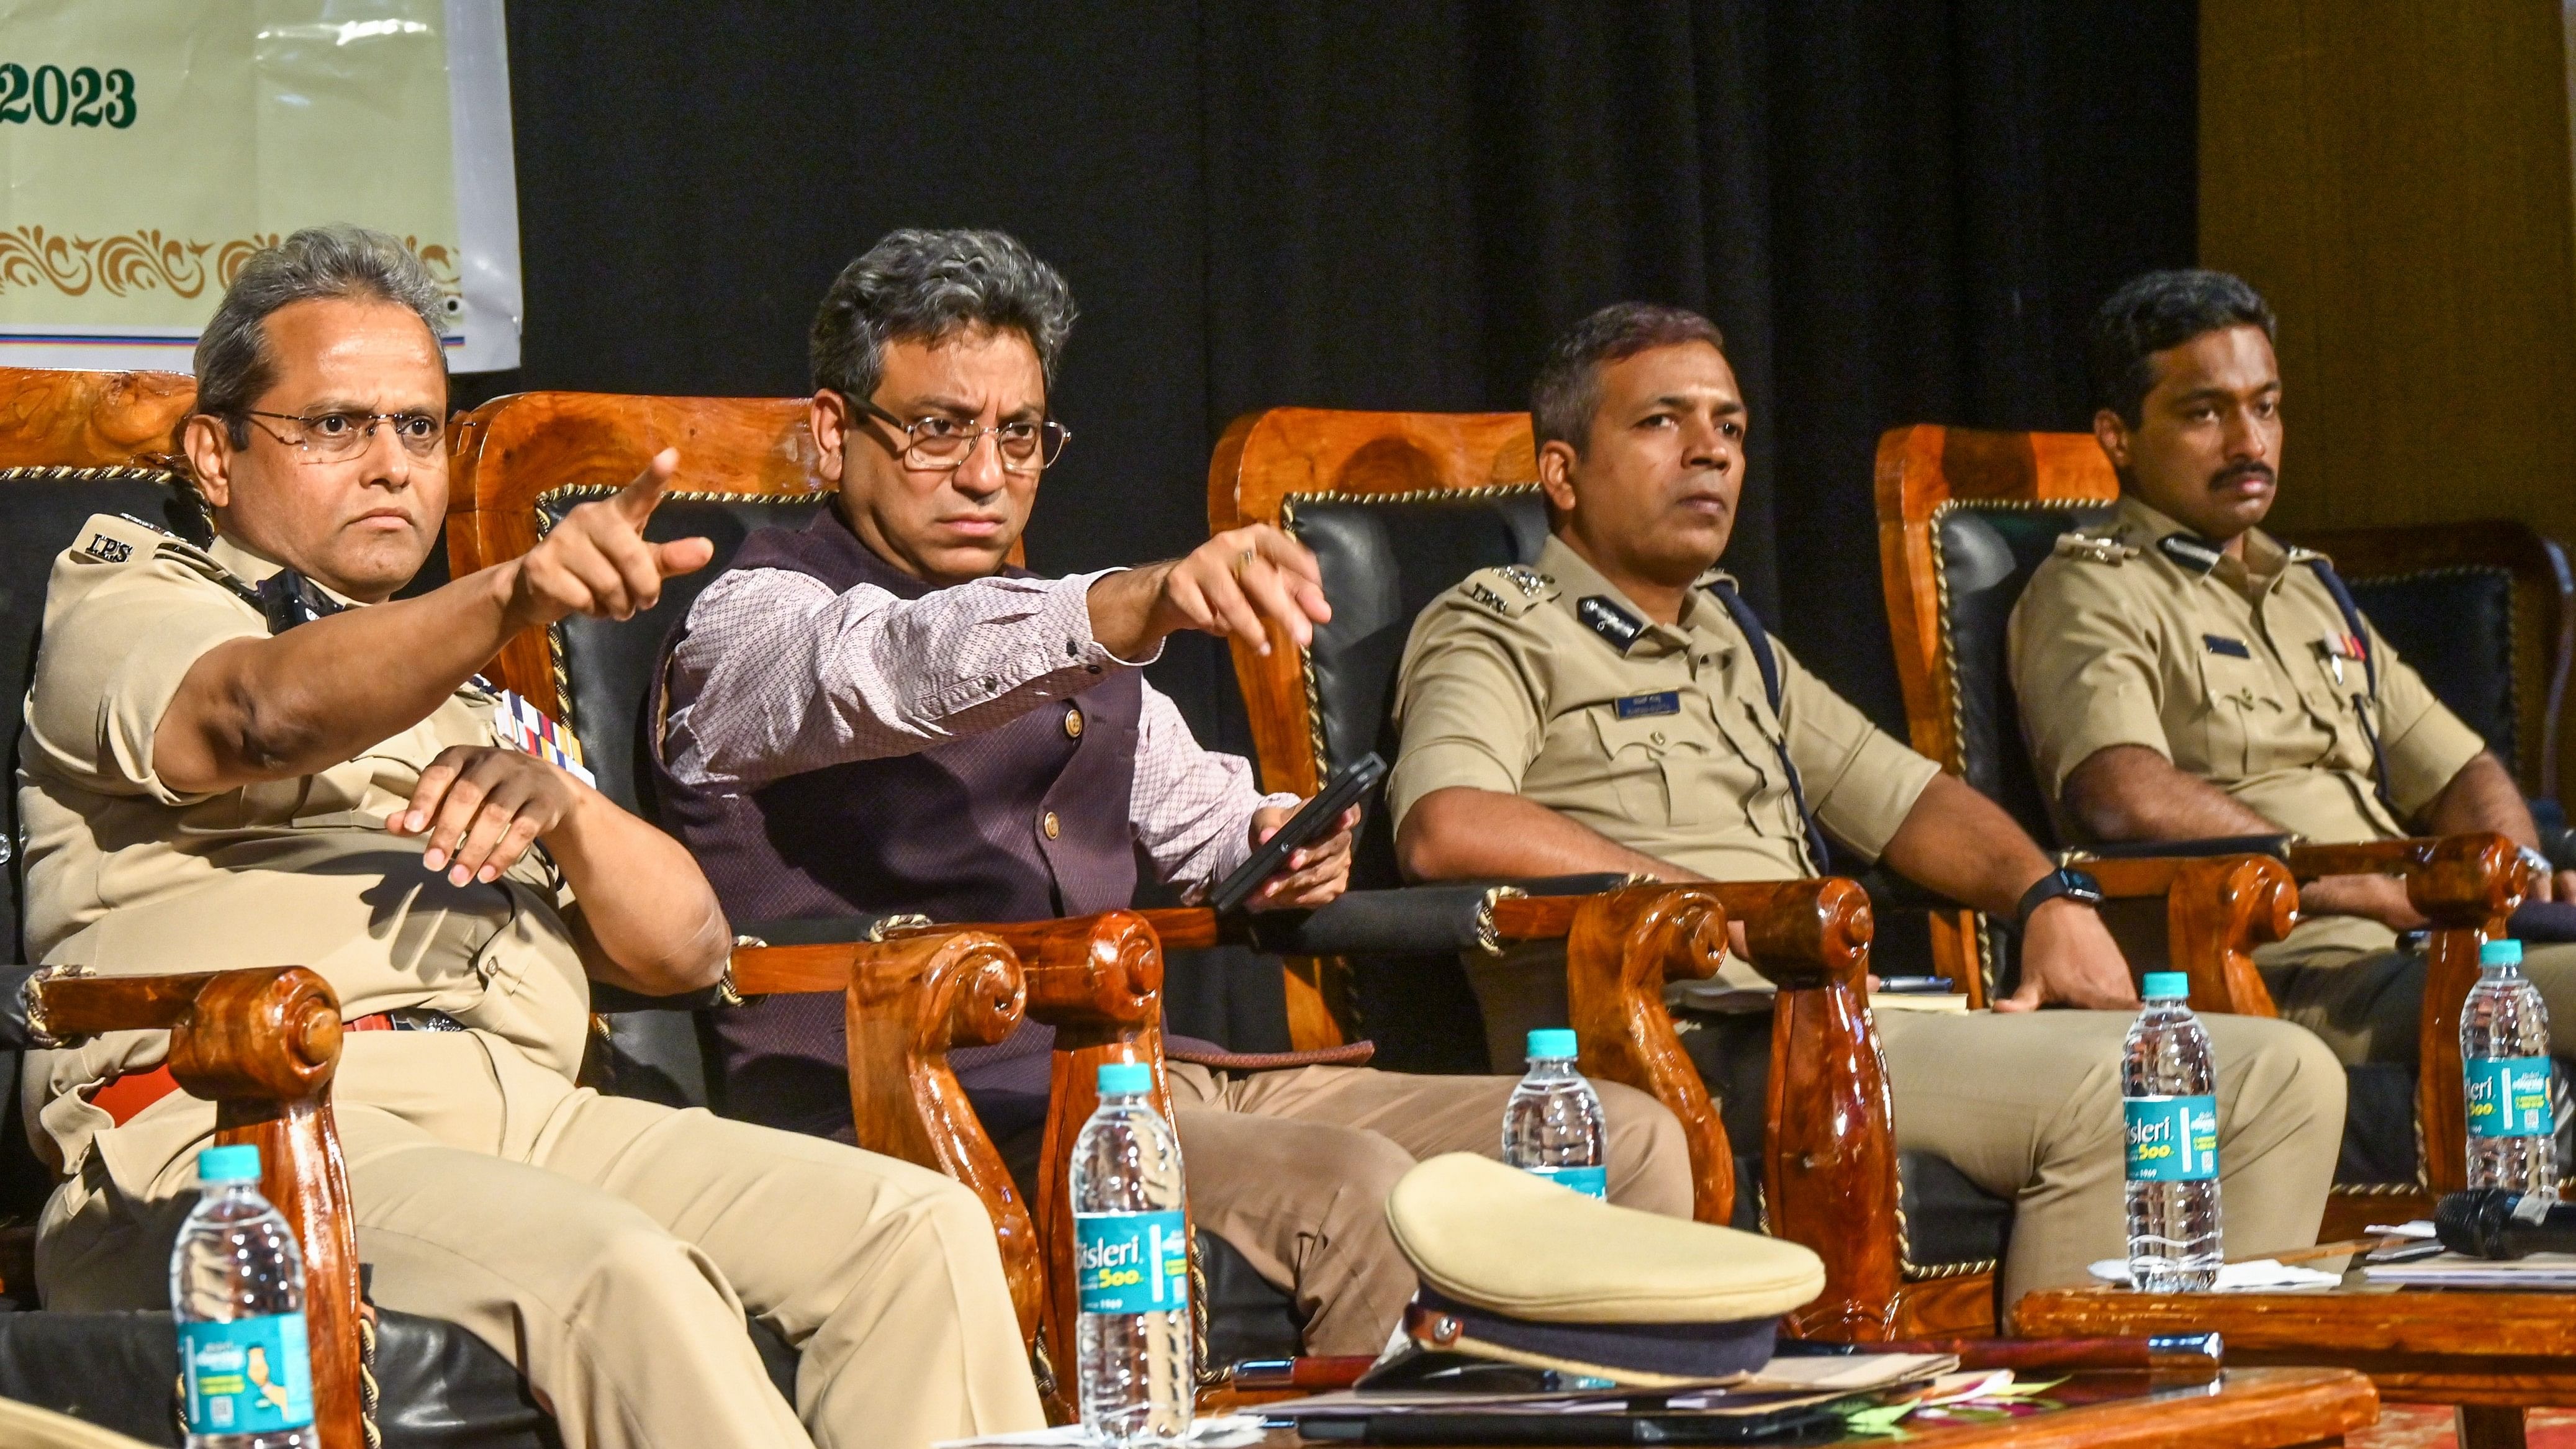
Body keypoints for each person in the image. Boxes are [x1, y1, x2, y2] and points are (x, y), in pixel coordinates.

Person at [17, 225, 1041, 1449]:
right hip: (242, 1131)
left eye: (417, 428)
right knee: (619, 1273)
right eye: (337, 426)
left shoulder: (470, 695)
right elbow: (257, 711)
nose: (393, 465)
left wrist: (567, 808)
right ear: (215, 452)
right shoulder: (129, 597)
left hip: (528, 1104)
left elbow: (684, 951)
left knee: (912, 1231)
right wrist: (512, 593)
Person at [651, 229, 1696, 1355]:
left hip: (1145, 1082)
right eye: (937, 429)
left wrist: (1280, 838)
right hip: (914, 1115)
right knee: (1356, 1189)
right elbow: (898, 669)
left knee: (1620, 1134)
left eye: (1018, 435)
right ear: (831, 431)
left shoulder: (1064, 635)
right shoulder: (750, 622)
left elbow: (1204, 825)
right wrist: (1127, 604)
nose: (987, 475)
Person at [1387, 301, 2347, 1303]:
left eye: (1729, 426)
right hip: (1676, 1041)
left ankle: (2194, 1395)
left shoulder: (1732, 637)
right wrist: (1715, 910)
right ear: (1562, 472)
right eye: (1662, 422)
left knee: (2283, 1072)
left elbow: (1912, 799)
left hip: (1824, 1017)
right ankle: (2072, 1397)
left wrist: (2046, 899)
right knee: (2146, 1092)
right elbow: (1446, 822)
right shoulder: (1498, 627)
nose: (1709, 452)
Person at [2009, 268, 2576, 1068]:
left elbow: (2460, 771)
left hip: (2432, 944)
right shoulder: (2090, 591)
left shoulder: (2308, 587)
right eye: (2206, 413)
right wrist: (2348, 880)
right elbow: (2121, 794)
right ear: (2118, 436)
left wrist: (2519, 880)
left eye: (2265, 407)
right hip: (2290, 970)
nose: (2251, 444)